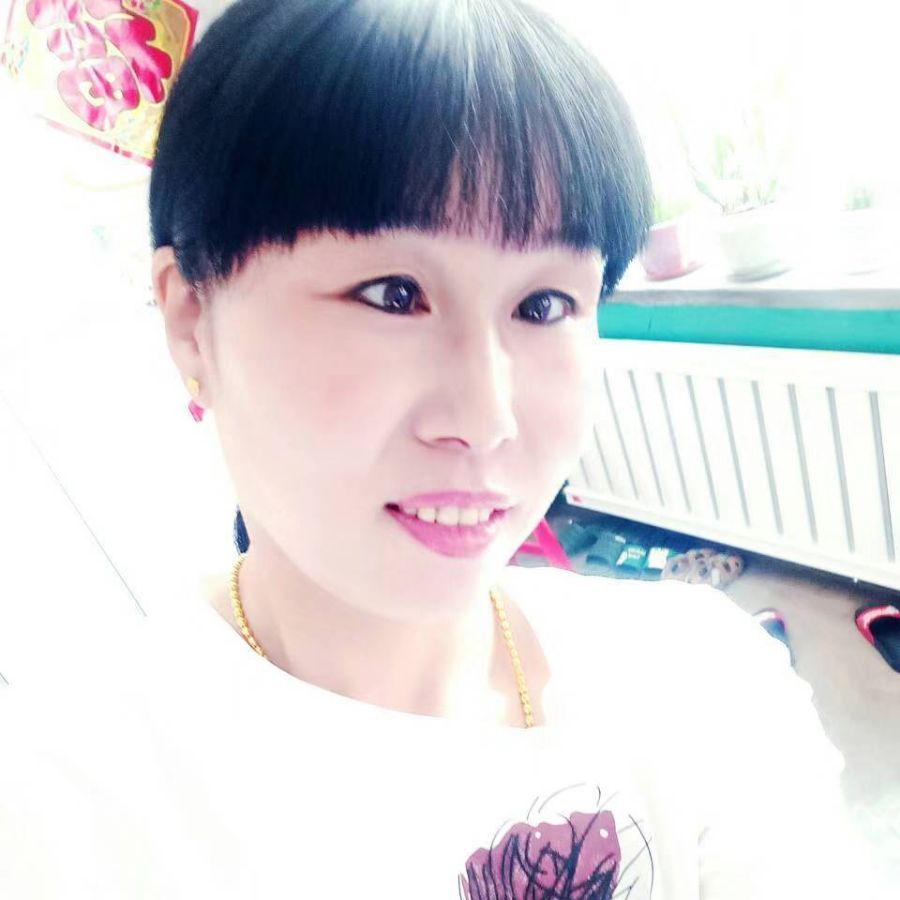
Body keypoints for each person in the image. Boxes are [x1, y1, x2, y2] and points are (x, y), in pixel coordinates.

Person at [0, 0, 870, 897]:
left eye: (543, 305)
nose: (487, 417)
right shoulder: (53, 809)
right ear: (192, 319)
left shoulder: (705, 684)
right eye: (392, 294)